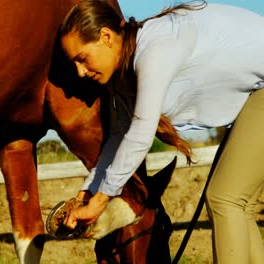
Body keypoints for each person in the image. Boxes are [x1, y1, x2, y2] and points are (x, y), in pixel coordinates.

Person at [59, 0, 264, 263]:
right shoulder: (121, 80)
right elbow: (118, 139)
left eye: (82, 59)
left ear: (106, 37)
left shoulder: (155, 49)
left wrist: (101, 200)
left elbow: (140, 133)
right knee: (237, 203)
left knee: (225, 199)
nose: (80, 71)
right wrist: (86, 195)